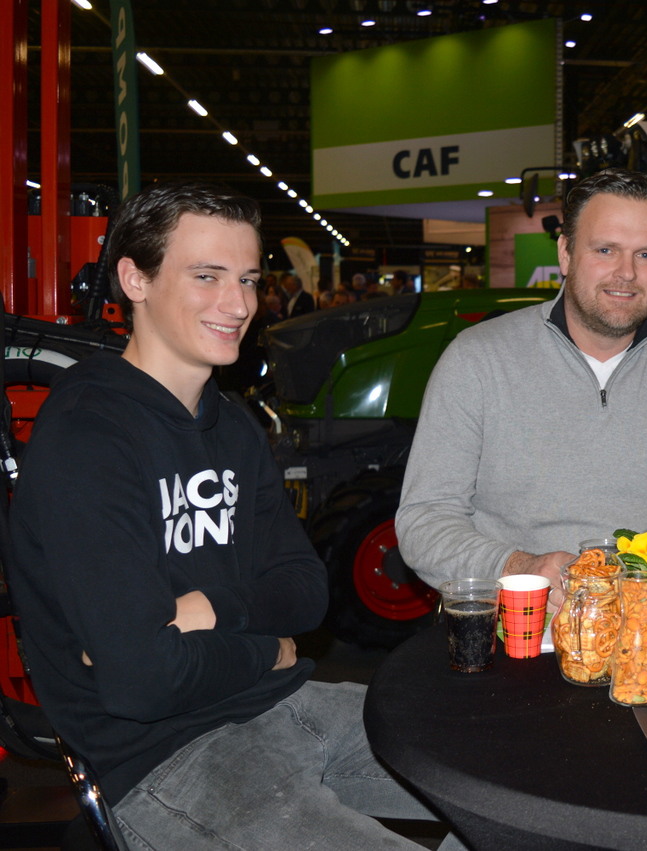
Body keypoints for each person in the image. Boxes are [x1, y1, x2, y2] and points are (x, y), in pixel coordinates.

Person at [7, 182, 459, 850]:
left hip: (288, 705)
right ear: (135, 279)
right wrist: (267, 648)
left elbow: (306, 590)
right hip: (167, 759)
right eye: (207, 276)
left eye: (247, 279)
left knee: (515, 775)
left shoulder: (232, 423)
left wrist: (208, 609)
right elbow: (143, 680)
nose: (240, 304)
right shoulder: (88, 437)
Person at [396, 168, 647, 596]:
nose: (627, 273)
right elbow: (424, 522)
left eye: (646, 255)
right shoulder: (477, 358)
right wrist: (521, 569)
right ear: (565, 254)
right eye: (606, 250)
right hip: (520, 614)